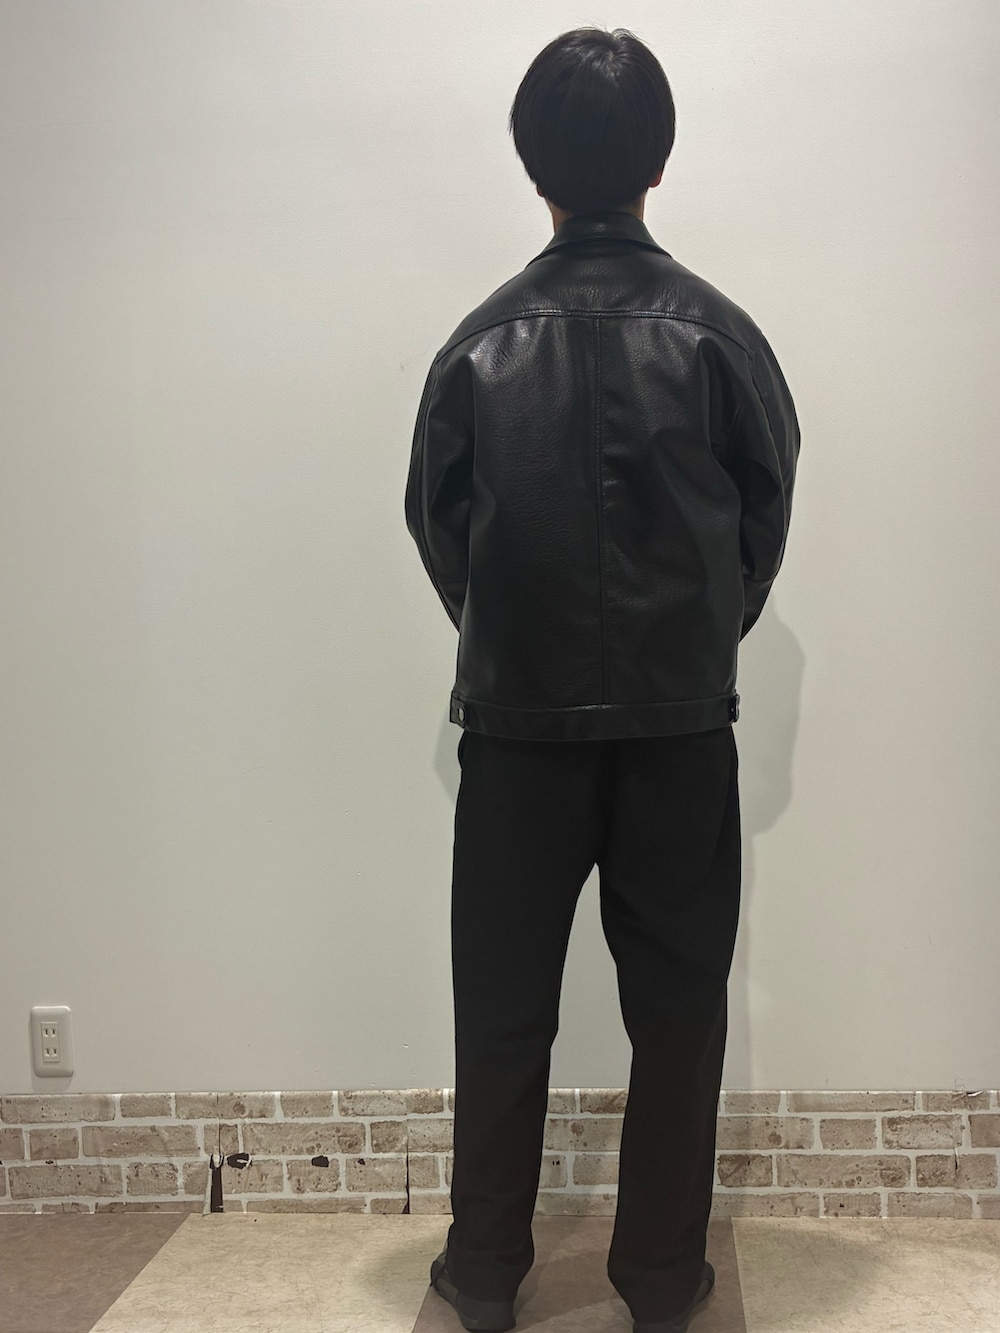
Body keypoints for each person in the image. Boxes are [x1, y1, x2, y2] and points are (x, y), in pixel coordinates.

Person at [406, 24, 800, 1333]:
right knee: (680, 1016)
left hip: (516, 731)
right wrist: (699, 635)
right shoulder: (718, 335)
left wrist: (509, 632)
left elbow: (439, 524)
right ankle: (663, 1281)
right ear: (658, 160)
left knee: (500, 1011)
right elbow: (764, 511)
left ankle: (482, 1273)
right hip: (681, 730)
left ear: (533, 166)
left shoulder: (477, 345)